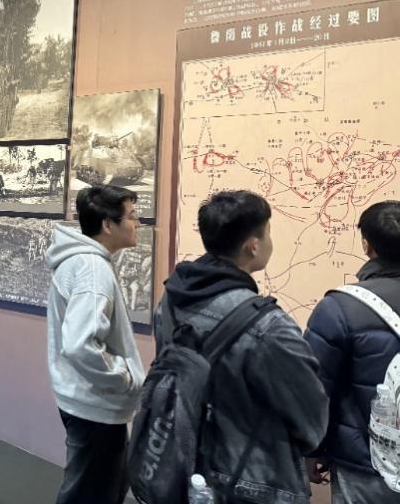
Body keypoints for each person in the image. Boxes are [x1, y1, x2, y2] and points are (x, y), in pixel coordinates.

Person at [156, 190, 328, 504]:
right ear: (253, 245)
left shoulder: (171, 298)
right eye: (268, 233)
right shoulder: (269, 326)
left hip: (181, 463)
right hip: (254, 482)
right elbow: (312, 423)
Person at [45, 185, 146, 504]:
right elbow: (80, 344)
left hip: (85, 398)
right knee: (90, 495)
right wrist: (123, 378)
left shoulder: (81, 261)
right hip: (95, 404)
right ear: (107, 225)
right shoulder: (92, 269)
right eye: (131, 216)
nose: (138, 223)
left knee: (101, 487)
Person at [305, 200, 400, 503]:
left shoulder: (341, 307)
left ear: (366, 245)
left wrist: (312, 449)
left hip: (365, 467)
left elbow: (315, 389)